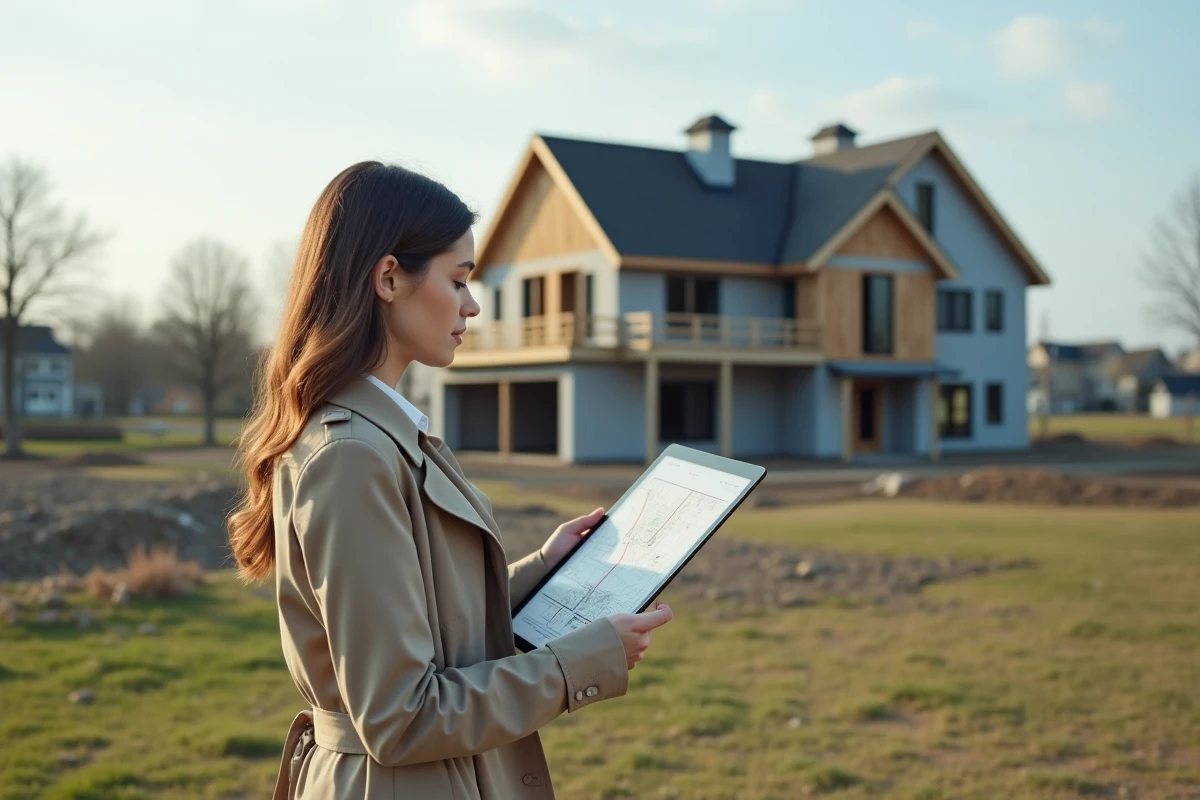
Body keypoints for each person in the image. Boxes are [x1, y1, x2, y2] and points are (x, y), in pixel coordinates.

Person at [226, 161, 675, 800]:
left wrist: (544, 567)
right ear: (388, 278)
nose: (472, 304)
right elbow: (401, 715)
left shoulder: (386, 434)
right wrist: (577, 665)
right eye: (458, 279)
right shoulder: (351, 457)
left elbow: (428, 619)